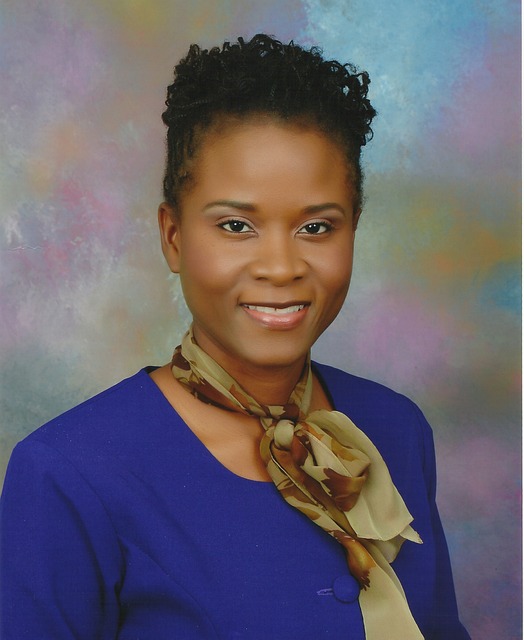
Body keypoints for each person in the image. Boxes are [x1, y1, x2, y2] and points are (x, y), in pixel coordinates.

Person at [0, 34, 470, 639]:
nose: (281, 266)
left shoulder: (397, 428)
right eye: (236, 225)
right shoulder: (67, 471)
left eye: (316, 227)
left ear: (354, 229)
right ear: (173, 236)